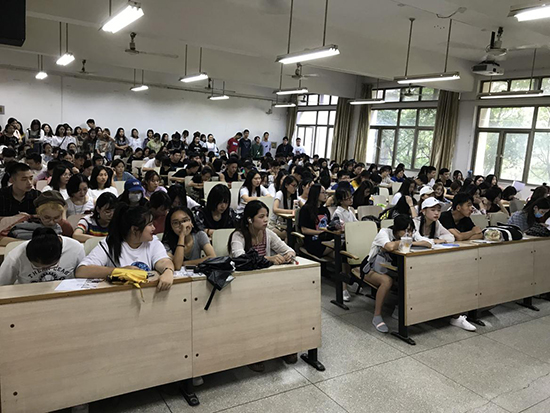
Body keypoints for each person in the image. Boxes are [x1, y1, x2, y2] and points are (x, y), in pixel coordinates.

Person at [76, 204, 174, 292]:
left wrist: (168, 271)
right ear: (134, 229)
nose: (154, 228)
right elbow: (82, 271)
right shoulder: (110, 243)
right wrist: (119, 271)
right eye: (149, 225)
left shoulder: (152, 241)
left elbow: (163, 261)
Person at [361, 215, 432, 333]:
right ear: (396, 229)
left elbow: (428, 243)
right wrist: (407, 241)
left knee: (413, 276)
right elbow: (389, 246)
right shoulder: (384, 233)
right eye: (405, 230)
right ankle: (377, 316)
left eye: (410, 231)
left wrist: (411, 241)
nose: (408, 234)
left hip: (392, 269)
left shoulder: (409, 234)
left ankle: (399, 310)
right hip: (372, 269)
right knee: (387, 281)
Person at [0, 228, 85, 285]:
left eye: (51, 265)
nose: (45, 269)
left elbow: (84, 279)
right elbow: (2, 285)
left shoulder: (75, 248)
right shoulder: (16, 256)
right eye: (37, 266)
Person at [229, 200, 295, 263]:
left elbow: (289, 250)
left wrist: (289, 255)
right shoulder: (238, 235)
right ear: (250, 220)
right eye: (261, 217)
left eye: (267, 216)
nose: (266, 220)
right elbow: (240, 258)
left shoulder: (267, 233)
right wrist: (268, 259)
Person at [298, 184, 332, 259]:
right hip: (313, 242)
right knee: (338, 246)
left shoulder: (325, 209)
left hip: (325, 239)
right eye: (323, 193)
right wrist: (320, 232)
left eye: (326, 193)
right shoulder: (305, 209)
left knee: (340, 247)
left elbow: (328, 224)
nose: (325, 195)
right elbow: (304, 230)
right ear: (316, 194)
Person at [270, 175, 298, 240]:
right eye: (293, 186)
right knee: (287, 235)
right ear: (286, 185)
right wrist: (291, 211)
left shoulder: (293, 197)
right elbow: (275, 209)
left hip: (286, 225)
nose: (295, 188)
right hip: (274, 224)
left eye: (296, 186)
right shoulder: (280, 193)